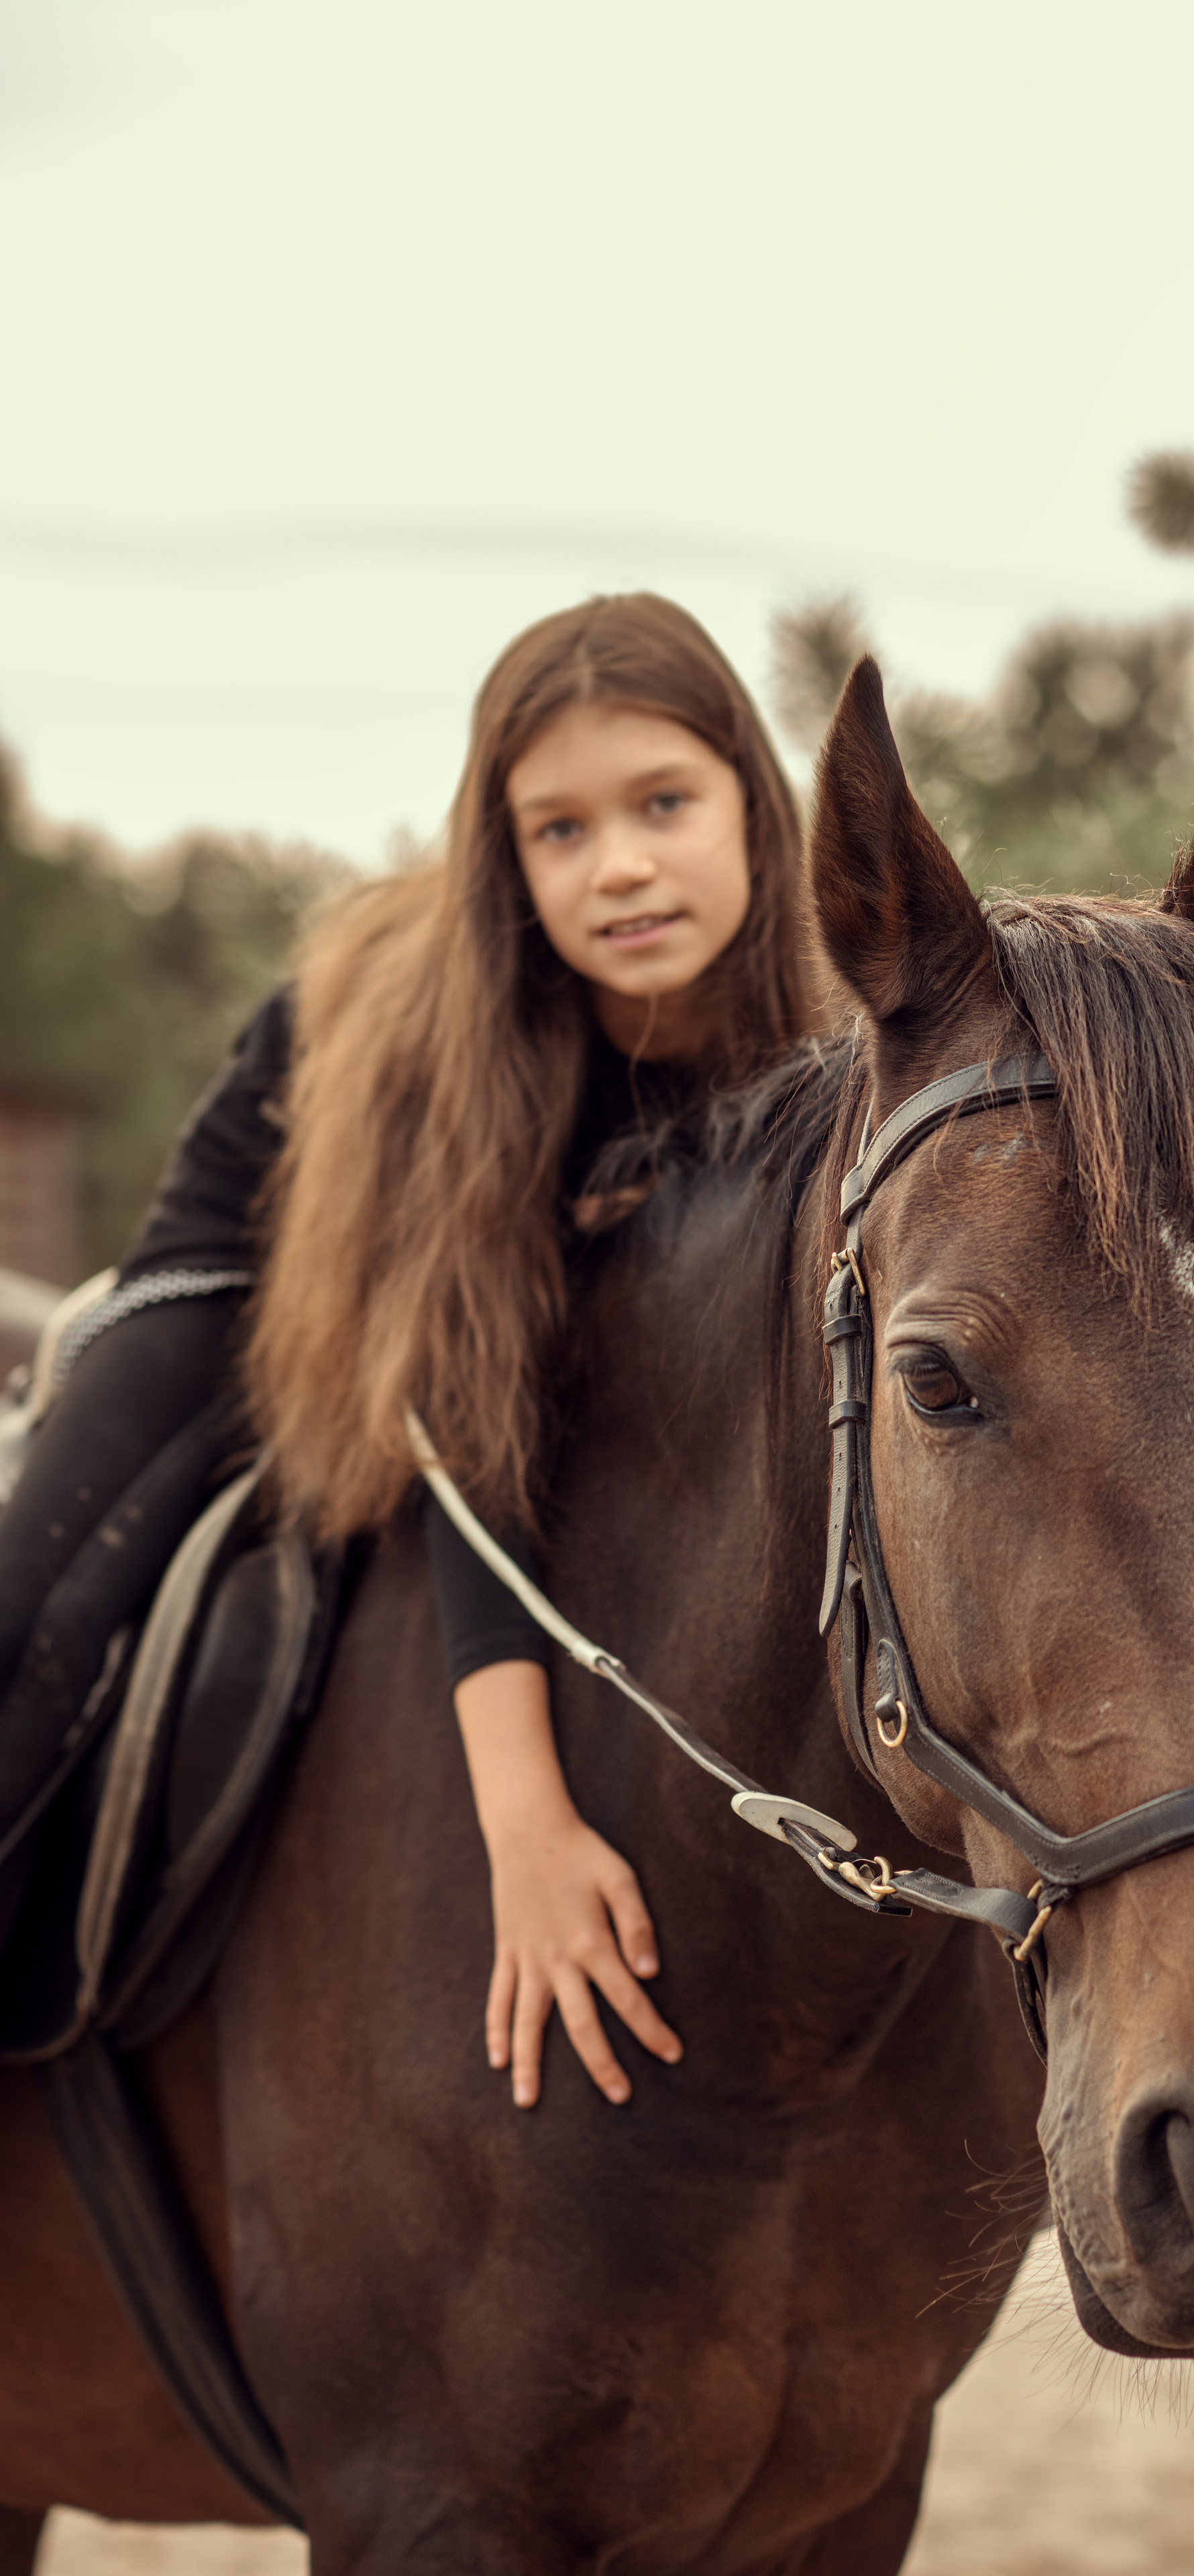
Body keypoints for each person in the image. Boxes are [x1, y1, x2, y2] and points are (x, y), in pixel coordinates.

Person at [0, 594, 812, 2110]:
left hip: (550, 1319)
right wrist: (525, 1829)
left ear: (752, 802)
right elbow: (465, 1428)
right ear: (507, 859)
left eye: (662, 803)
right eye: (559, 830)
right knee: (35, 1615)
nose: (619, 864)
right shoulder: (471, 1046)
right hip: (258, 1266)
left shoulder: (830, 1026)